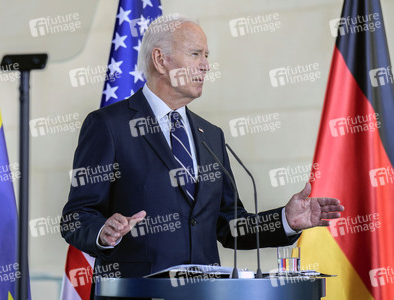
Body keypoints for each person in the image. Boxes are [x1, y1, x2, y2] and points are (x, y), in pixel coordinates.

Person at [61, 15, 344, 298]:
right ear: (161, 60)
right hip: (136, 291)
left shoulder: (211, 135)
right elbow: (76, 216)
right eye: (195, 54)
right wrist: (103, 231)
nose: (206, 65)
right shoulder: (109, 125)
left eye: (206, 56)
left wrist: (285, 220)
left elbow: (229, 226)